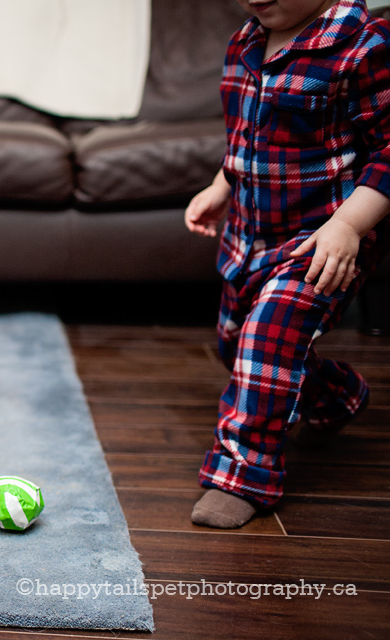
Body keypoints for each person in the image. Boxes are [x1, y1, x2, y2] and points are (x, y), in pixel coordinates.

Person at [184, 0, 390, 528]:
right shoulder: (244, 44)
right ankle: (337, 396)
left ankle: (242, 477)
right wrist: (219, 187)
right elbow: (249, 140)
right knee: (239, 345)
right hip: (250, 236)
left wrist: (347, 227)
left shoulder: (364, 45)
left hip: (323, 239)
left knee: (267, 336)